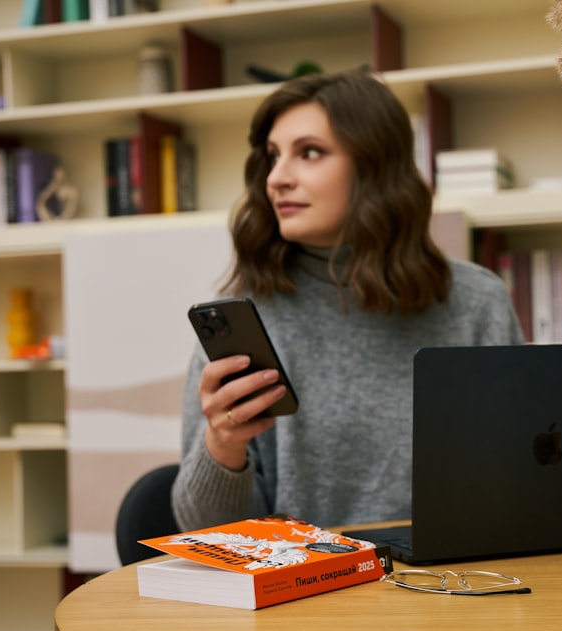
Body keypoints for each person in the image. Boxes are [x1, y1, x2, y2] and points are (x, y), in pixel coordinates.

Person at [172, 69, 524, 531]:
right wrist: (222, 444)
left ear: (375, 166)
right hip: (300, 593)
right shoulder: (245, 317)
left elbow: (522, 481)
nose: (277, 178)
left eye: (310, 153)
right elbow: (204, 533)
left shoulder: (478, 304)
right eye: (273, 157)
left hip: (450, 588)